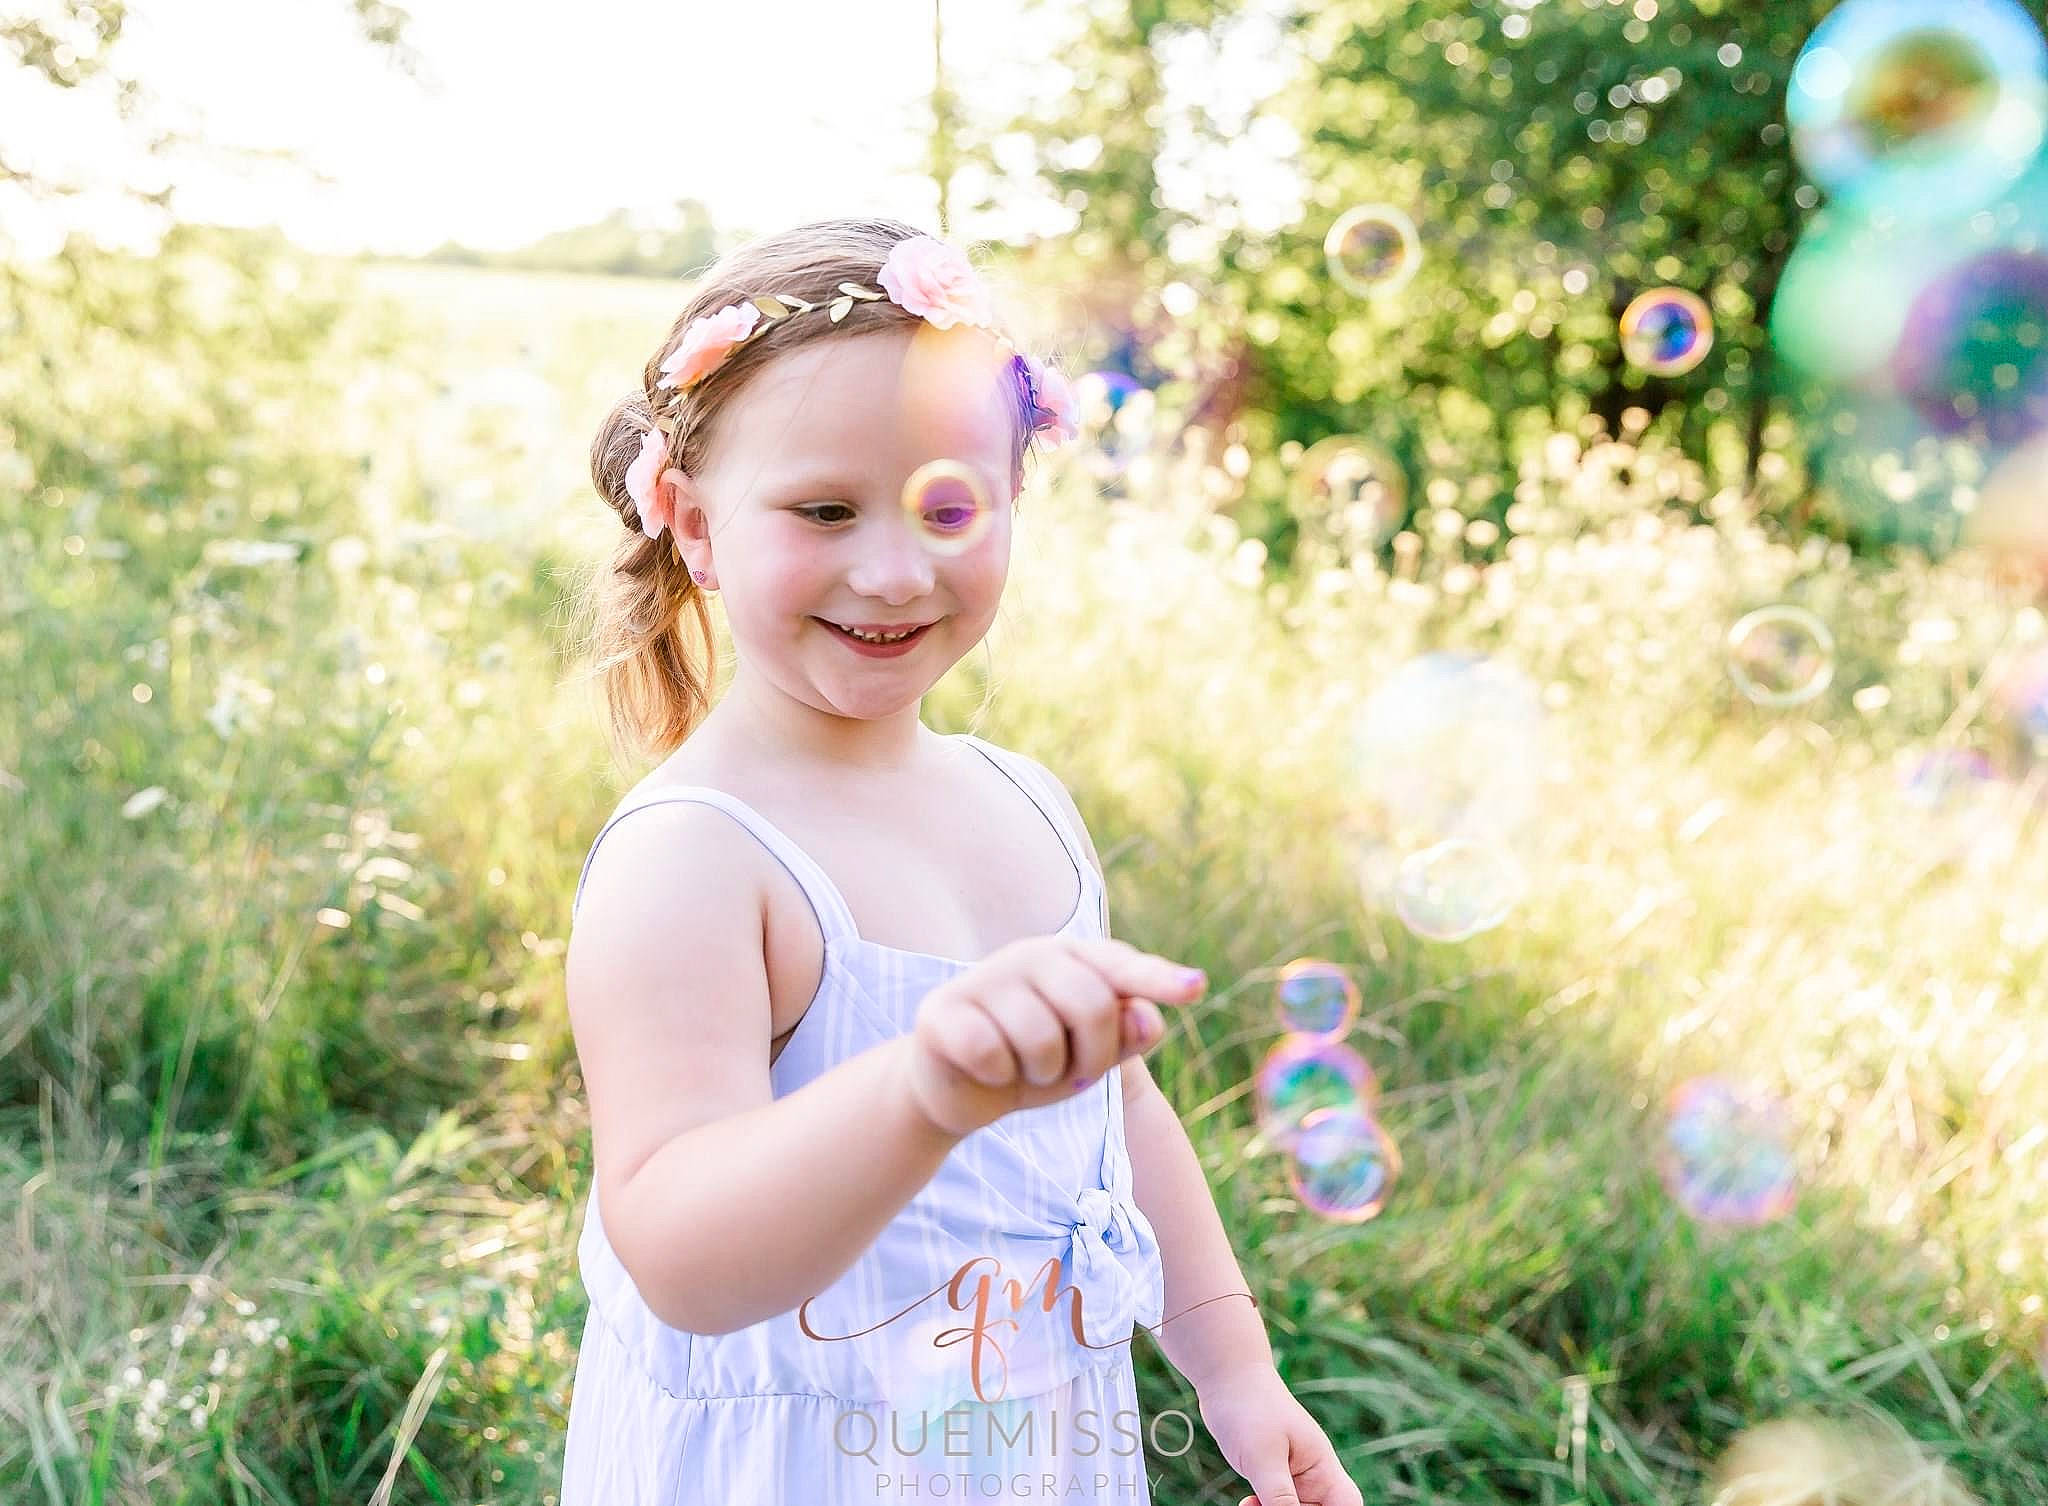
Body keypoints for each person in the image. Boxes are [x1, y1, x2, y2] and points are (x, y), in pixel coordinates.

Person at [559, 216, 1360, 1506]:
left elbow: (1123, 1116)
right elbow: (685, 1255)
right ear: (692, 524)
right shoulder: (697, 860)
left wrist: (1234, 1368)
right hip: (799, 1466)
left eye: (948, 507)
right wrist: (926, 1088)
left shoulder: (1023, 803)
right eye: (825, 510)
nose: (892, 570)